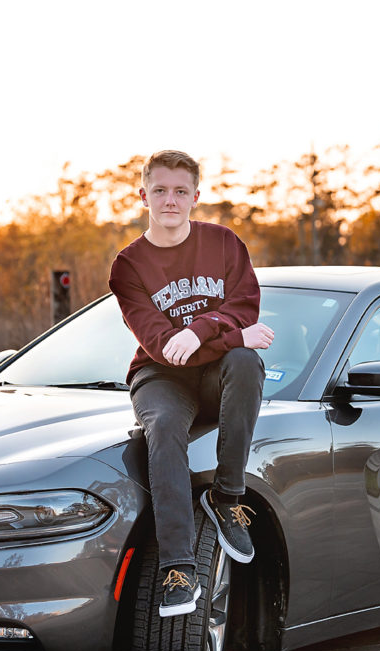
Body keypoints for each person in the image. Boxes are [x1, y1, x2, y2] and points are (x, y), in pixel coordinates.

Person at [108, 150, 274, 617]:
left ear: (196, 197)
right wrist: (231, 334)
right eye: (159, 190)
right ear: (143, 195)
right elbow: (163, 347)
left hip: (218, 371)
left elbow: (245, 307)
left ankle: (228, 497)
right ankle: (179, 569)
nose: (170, 200)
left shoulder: (224, 243)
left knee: (246, 363)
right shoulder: (129, 266)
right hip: (159, 377)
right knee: (161, 428)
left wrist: (202, 329)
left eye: (181, 191)